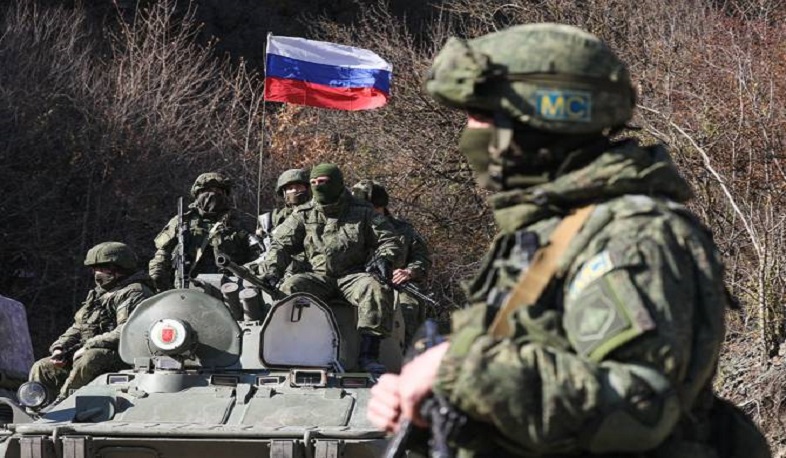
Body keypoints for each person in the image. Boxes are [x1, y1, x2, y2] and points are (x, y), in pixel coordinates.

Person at [367, 23, 770, 457]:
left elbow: (639, 407)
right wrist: (429, 406)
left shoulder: (633, 237)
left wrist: (459, 372)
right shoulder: (549, 234)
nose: (469, 132)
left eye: (481, 116)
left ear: (536, 122)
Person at [259, 163, 402, 373]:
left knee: (375, 288)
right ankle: (295, 350)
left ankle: (368, 354)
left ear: (336, 183)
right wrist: (272, 271)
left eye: (323, 183)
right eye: (314, 183)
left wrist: (385, 258)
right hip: (318, 277)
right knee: (289, 288)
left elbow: (389, 239)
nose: (318, 187)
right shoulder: (303, 213)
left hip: (353, 276)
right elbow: (281, 244)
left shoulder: (362, 211)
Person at [29, 242, 154, 401]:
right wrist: (60, 347)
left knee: (90, 358)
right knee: (42, 367)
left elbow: (126, 331)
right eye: (94, 268)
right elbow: (79, 326)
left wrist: (89, 346)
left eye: (101, 268)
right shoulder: (98, 294)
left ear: (118, 268)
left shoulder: (135, 292)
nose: (96, 273)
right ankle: (38, 406)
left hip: (123, 356)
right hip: (90, 352)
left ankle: (64, 403)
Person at [352, 179, 432, 347]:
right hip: (356, 284)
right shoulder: (349, 228)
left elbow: (422, 258)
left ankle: (407, 359)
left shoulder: (403, 230)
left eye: (373, 209)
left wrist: (409, 272)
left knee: (407, 307)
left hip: (396, 286)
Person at [149, 172, 256, 291]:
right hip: (188, 290)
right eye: (207, 190)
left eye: (218, 191)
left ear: (225, 195)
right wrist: (157, 281)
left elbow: (257, 258)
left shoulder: (239, 223)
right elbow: (162, 255)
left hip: (229, 291)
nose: (212, 194)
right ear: (197, 194)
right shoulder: (182, 222)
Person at [253, 168, 312, 274]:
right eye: (290, 188)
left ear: (307, 189)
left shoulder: (315, 213)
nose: (294, 191)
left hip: (304, 266)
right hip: (275, 261)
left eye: (299, 187)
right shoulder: (277, 217)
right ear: (284, 193)